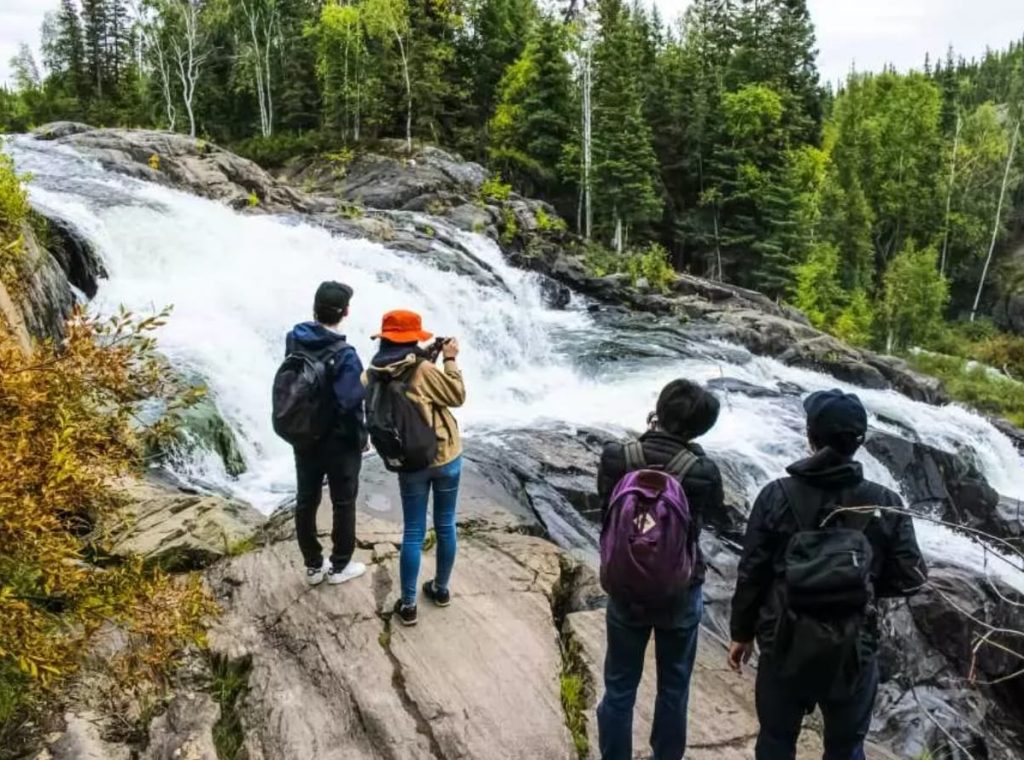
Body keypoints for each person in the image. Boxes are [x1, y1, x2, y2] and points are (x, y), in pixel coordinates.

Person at [728, 389, 928, 760]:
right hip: (853, 647)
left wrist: (741, 633)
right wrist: (860, 585)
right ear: (860, 441)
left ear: (810, 436)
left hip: (782, 641)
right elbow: (913, 576)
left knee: (775, 742)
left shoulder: (775, 496)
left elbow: (752, 571)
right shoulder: (884, 502)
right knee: (846, 748)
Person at [595, 379, 726, 760]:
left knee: (619, 686)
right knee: (674, 686)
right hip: (680, 589)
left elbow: (606, 504)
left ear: (660, 409)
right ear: (701, 426)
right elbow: (714, 517)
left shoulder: (617, 456)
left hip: (625, 585)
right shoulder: (703, 470)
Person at [367, 310, 465, 627]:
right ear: (412, 338)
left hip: (408, 461)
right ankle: (440, 589)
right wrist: (449, 360)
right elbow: (456, 395)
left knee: (412, 531)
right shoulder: (422, 369)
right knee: (445, 523)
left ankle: (408, 605)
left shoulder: (372, 372)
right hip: (445, 456)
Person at [285, 281, 368, 586]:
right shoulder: (346, 354)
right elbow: (350, 400)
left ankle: (312, 565)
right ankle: (339, 566)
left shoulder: (294, 338)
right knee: (343, 502)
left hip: (304, 434)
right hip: (338, 442)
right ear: (345, 312)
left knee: (306, 499)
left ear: (315, 308)